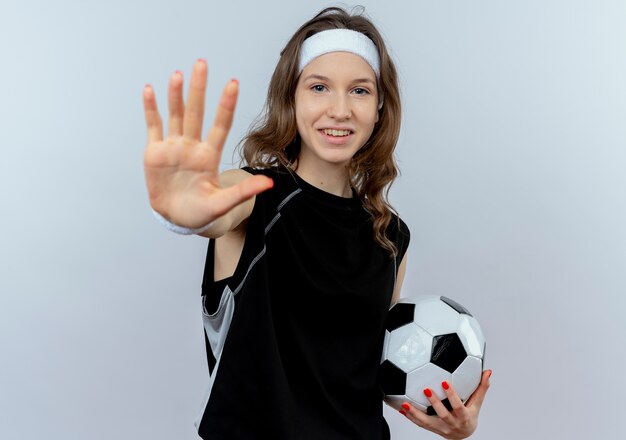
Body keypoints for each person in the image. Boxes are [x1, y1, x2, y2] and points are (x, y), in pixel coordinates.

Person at [142, 6, 490, 439]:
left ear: (380, 107)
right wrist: (182, 210)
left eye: (359, 91)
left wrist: (448, 417)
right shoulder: (252, 197)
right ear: (292, 97)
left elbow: (366, 368)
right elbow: (211, 209)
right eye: (319, 87)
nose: (340, 109)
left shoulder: (390, 236)